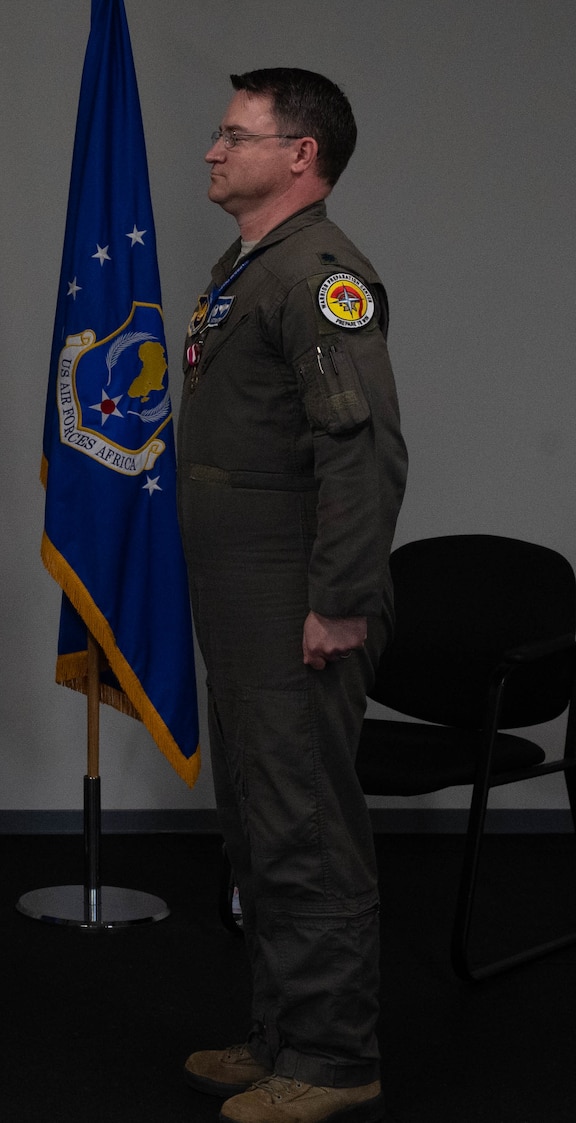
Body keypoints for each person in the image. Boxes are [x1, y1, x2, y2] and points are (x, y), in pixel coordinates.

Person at [177, 68, 406, 1123]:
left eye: (234, 134)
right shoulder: (248, 264)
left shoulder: (318, 273)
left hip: (293, 598)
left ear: (297, 154)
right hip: (242, 595)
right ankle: (279, 1030)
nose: (213, 150)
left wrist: (340, 599)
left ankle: (328, 1053)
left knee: (303, 821)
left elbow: (357, 452)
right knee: (258, 819)